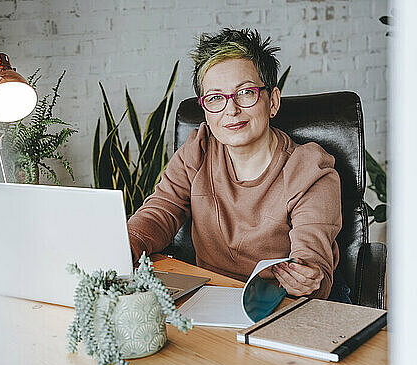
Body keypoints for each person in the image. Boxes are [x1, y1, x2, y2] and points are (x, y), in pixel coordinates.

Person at [127, 28, 342, 299]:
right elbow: (160, 213)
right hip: (210, 295)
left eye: (245, 93)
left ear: (272, 102)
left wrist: (307, 278)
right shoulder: (197, 152)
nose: (231, 110)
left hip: (279, 302)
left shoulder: (310, 170)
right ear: (205, 108)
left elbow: (313, 259)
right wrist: (127, 243)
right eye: (216, 97)